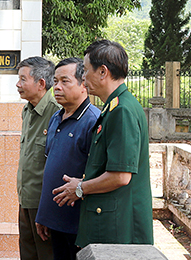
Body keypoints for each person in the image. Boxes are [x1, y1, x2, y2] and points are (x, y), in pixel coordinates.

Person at [53, 40, 154, 247]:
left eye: (86, 70)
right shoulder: (114, 107)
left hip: (118, 226)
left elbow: (120, 176)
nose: (83, 77)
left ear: (102, 72)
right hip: (110, 221)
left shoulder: (122, 110)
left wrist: (80, 188)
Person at [34, 58, 100, 260]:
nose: (57, 87)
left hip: (77, 223)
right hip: (55, 220)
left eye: (65, 81)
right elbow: (51, 167)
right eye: (55, 81)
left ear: (84, 84)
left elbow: (98, 174)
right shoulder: (56, 118)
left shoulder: (93, 121)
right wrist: (44, 214)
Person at [16, 56, 61, 260]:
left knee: (47, 255)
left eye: (23, 79)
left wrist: (46, 210)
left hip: (45, 205)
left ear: (41, 83)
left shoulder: (57, 113)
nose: (18, 84)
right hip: (26, 200)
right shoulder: (27, 110)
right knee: (27, 254)